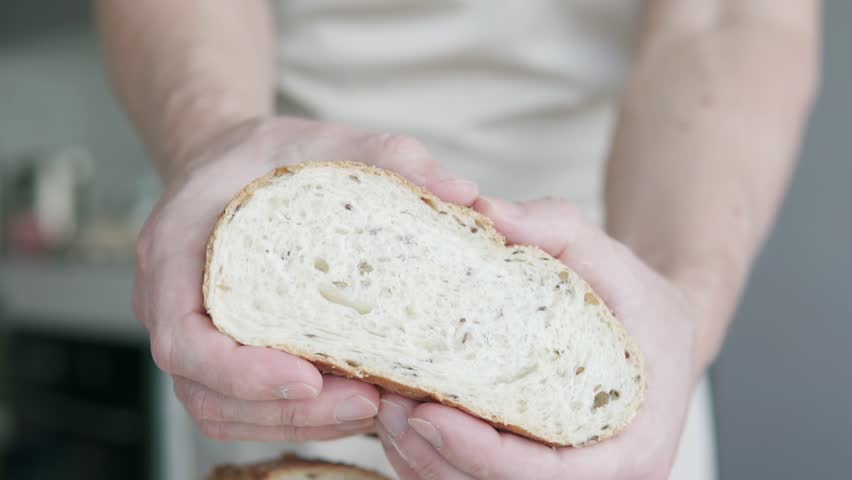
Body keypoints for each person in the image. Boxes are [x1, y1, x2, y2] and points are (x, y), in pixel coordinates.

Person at [96, 1, 820, 479]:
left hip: (607, 307)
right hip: (274, 297)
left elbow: (734, 16)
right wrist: (215, 138)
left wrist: (678, 301)